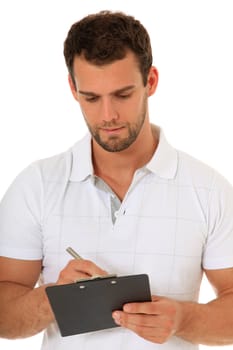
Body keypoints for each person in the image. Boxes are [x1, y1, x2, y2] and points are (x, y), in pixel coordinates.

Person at [0, 10, 233, 350]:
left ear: (150, 82)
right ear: (72, 88)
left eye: (122, 95)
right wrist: (52, 299)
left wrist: (184, 319)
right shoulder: (36, 186)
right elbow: (5, 318)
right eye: (91, 98)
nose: (107, 115)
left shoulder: (209, 190)